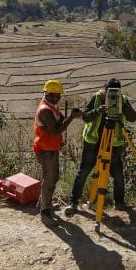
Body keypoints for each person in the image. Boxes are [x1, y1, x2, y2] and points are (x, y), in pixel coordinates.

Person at [66, 78, 136, 214]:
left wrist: (123, 106)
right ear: (104, 89)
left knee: (117, 174)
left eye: (115, 92)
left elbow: (133, 117)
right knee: (85, 171)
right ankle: (73, 202)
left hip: (114, 143)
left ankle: (120, 203)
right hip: (93, 142)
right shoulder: (97, 98)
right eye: (109, 92)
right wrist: (98, 110)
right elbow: (85, 117)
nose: (111, 95)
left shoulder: (122, 99)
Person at [33, 79, 81, 220]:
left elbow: (58, 123)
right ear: (47, 93)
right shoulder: (45, 111)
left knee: (53, 178)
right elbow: (56, 131)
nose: (57, 98)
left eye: (59, 95)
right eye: (55, 95)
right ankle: (45, 211)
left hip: (50, 148)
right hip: (45, 149)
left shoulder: (51, 106)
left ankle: (46, 204)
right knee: (49, 179)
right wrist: (71, 117)